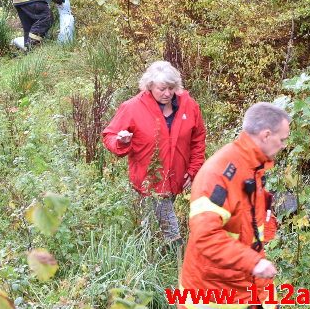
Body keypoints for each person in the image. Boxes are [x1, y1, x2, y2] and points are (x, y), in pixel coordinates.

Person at [179, 102, 289, 309]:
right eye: (282, 139)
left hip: (239, 287)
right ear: (266, 135)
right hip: (210, 294)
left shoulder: (251, 167)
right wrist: (254, 263)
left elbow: (251, 236)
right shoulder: (218, 175)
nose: (283, 145)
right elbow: (206, 236)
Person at [102, 61, 206, 247]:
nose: (167, 93)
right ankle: (179, 260)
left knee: (151, 221)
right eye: (162, 89)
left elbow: (198, 139)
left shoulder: (188, 105)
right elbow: (109, 136)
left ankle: (146, 250)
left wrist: (193, 170)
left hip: (177, 178)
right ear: (149, 86)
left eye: (171, 88)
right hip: (148, 181)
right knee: (169, 226)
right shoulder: (132, 107)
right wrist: (121, 141)